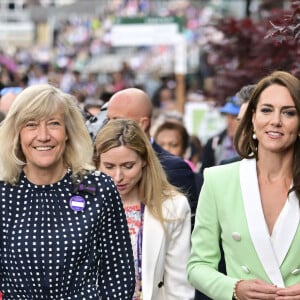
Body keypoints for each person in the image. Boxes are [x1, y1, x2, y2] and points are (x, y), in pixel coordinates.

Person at [0, 84, 135, 299]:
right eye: (31, 125)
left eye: (54, 124)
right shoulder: (4, 193)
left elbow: (117, 275)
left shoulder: (98, 188)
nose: (43, 136)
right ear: (17, 133)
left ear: (68, 133)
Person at [187, 70, 300, 299]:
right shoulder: (219, 180)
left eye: (288, 113)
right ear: (252, 118)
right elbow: (197, 266)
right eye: (266, 110)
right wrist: (234, 288)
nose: (275, 121)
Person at [93, 118, 195, 300]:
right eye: (109, 167)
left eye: (128, 166)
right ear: (96, 163)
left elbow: (178, 285)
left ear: (144, 161)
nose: (118, 177)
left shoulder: (173, 207)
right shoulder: (79, 203)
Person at [105, 88, 201, 227]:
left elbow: (185, 225)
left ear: (142, 124)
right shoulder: (99, 160)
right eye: (108, 119)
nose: (109, 126)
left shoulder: (173, 168)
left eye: (116, 120)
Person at [200, 95, 240, 172]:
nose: (229, 122)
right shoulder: (212, 144)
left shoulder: (256, 145)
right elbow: (204, 176)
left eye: (235, 117)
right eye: (227, 116)